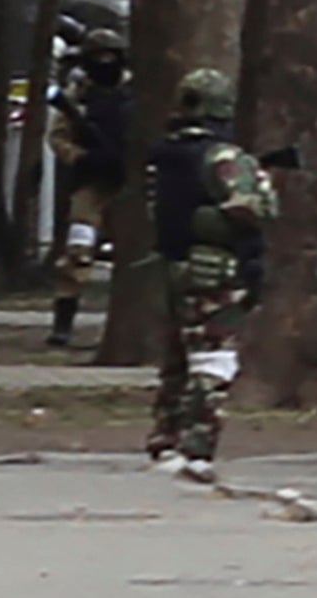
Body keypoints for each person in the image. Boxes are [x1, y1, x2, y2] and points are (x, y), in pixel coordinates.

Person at [145, 69, 278, 483]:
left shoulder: (166, 155)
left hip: (173, 268)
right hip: (215, 273)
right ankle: (197, 446)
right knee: (214, 360)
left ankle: (164, 438)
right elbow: (255, 208)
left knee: (177, 359)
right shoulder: (221, 158)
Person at [46, 28, 132, 348]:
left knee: (136, 251)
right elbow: (58, 137)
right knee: (78, 251)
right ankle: (63, 323)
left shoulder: (135, 89)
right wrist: (81, 158)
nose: (105, 63)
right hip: (90, 183)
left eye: (110, 56)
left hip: (130, 183)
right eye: (98, 57)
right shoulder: (78, 94)